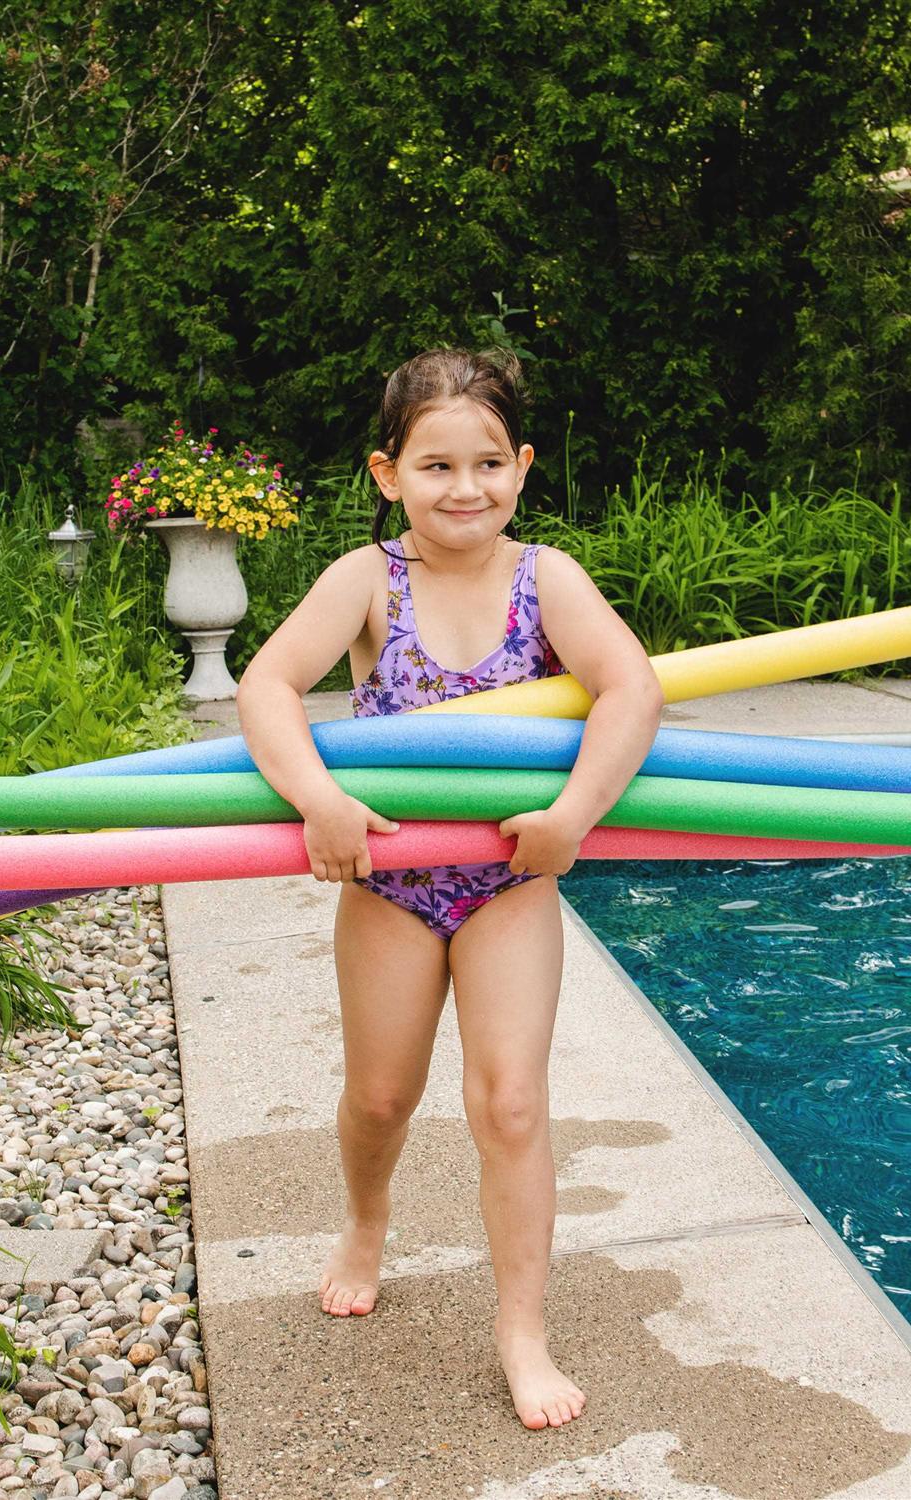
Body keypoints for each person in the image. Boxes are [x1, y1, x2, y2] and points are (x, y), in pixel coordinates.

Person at [235, 346, 664, 1430]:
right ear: (388, 474)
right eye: (436, 466)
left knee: (510, 1103)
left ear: (522, 467)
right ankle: (366, 1220)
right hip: (390, 881)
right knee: (382, 1098)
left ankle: (522, 1331)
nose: (464, 487)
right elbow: (268, 684)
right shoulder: (367, 581)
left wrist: (575, 816)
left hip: (510, 878)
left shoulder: (546, 579)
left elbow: (631, 688)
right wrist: (319, 799)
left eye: (487, 463)